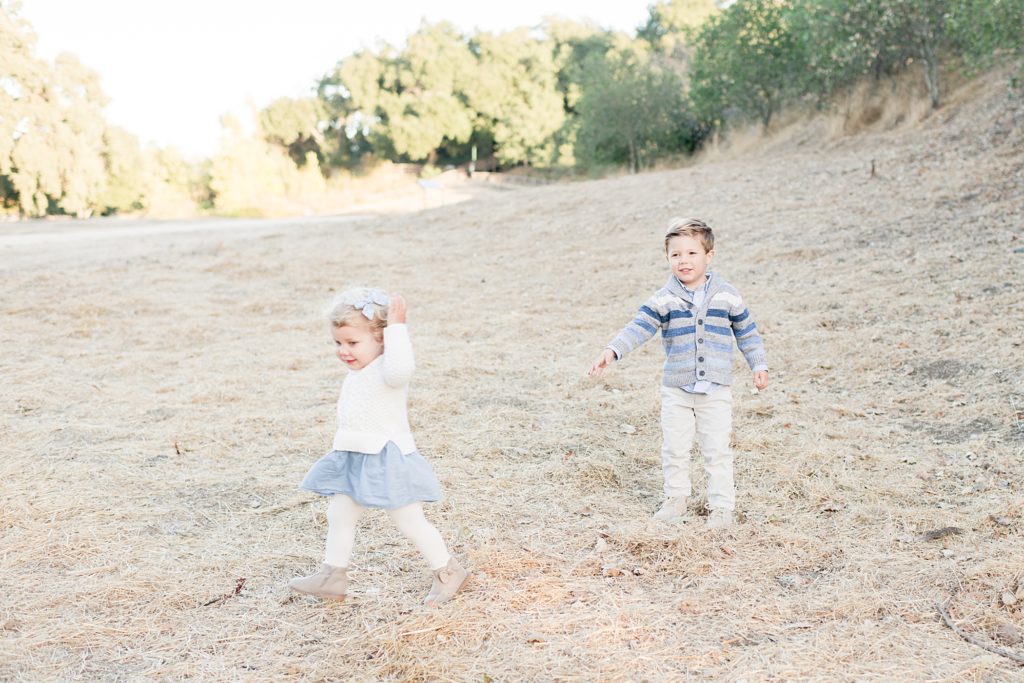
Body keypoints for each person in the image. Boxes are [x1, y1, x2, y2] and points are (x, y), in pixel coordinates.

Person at [289, 287, 468, 605]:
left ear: (382, 340)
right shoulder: (360, 370)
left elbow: (402, 369)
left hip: (385, 456)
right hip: (355, 455)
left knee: (407, 518)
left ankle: (448, 570)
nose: (344, 351)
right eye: (338, 343)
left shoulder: (388, 369)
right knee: (339, 513)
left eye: (353, 343)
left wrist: (397, 328)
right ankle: (333, 575)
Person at [589, 218, 768, 530]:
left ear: (708, 256)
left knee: (717, 451)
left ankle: (722, 507)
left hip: (715, 390)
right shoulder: (664, 298)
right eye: (676, 255)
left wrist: (758, 364)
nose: (683, 261)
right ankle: (675, 499)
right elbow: (639, 327)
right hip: (677, 390)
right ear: (667, 258)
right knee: (675, 448)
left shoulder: (726, 295)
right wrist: (613, 350)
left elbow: (747, 333)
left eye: (691, 254)